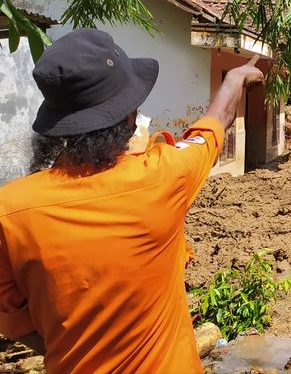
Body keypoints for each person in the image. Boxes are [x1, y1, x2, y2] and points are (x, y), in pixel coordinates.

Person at [0, 29, 264, 372]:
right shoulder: (165, 175)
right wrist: (236, 78)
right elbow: (214, 123)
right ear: (127, 117)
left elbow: (18, 322)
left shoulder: (10, 211)